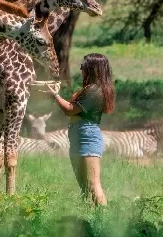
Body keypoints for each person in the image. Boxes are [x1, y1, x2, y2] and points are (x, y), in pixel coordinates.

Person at [45, 53, 115, 206]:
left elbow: (70, 109)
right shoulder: (91, 89)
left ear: (92, 69)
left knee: (93, 185)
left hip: (87, 136)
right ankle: (89, 219)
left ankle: (103, 219)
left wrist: (55, 96)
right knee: (84, 186)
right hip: (79, 135)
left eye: (84, 66)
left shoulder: (94, 91)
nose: (81, 68)